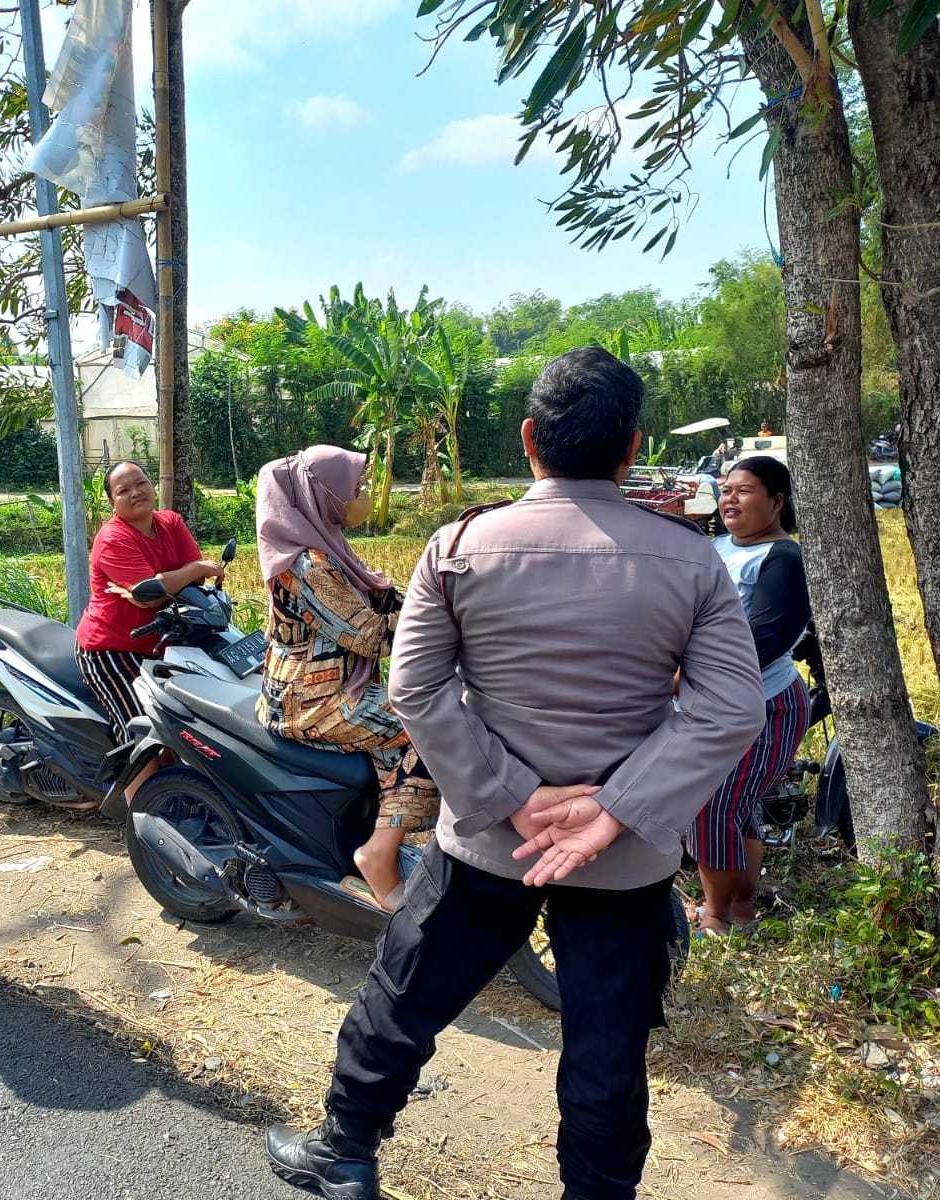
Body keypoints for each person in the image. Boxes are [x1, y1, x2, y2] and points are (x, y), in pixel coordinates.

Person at [264, 347, 765, 1200]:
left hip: (489, 843)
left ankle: (345, 1153)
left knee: (407, 993)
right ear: (633, 447)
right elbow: (729, 708)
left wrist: (513, 796)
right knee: (608, 1048)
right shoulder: (691, 559)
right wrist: (613, 810)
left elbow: (413, 686)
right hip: (626, 860)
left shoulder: (459, 545)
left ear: (530, 436)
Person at [255, 446, 439, 911]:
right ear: (322, 494)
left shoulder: (329, 547)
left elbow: (384, 603)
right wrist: (447, 626)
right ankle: (378, 854)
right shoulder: (306, 565)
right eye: (354, 489)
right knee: (432, 725)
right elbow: (368, 634)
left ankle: (388, 838)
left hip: (334, 686)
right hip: (310, 697)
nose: (360, 497)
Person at [684, 455, 812, 938]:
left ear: (777, 502)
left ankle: (715, 918)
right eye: (726, 490)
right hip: (711, 703)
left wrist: (679, 675)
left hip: (764, 707)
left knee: (713, 806)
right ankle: (741, 911)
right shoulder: (715, 546)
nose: (730, 498)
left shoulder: (783, 557)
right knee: (737, 810)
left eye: (745, 490)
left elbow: (766, 640)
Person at [74, 461, 223, 798]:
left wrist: (177, 577)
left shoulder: (170, 522)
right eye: (122, 490)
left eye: (140, 483)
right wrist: (192, 569)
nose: (134, 492)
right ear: (112, 503)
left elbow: (183, 582)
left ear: (152, 486)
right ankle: (141, 820)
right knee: (144, 728)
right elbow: (149, 592)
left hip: (166, 642)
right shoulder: (112, 538)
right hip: (112, 649)